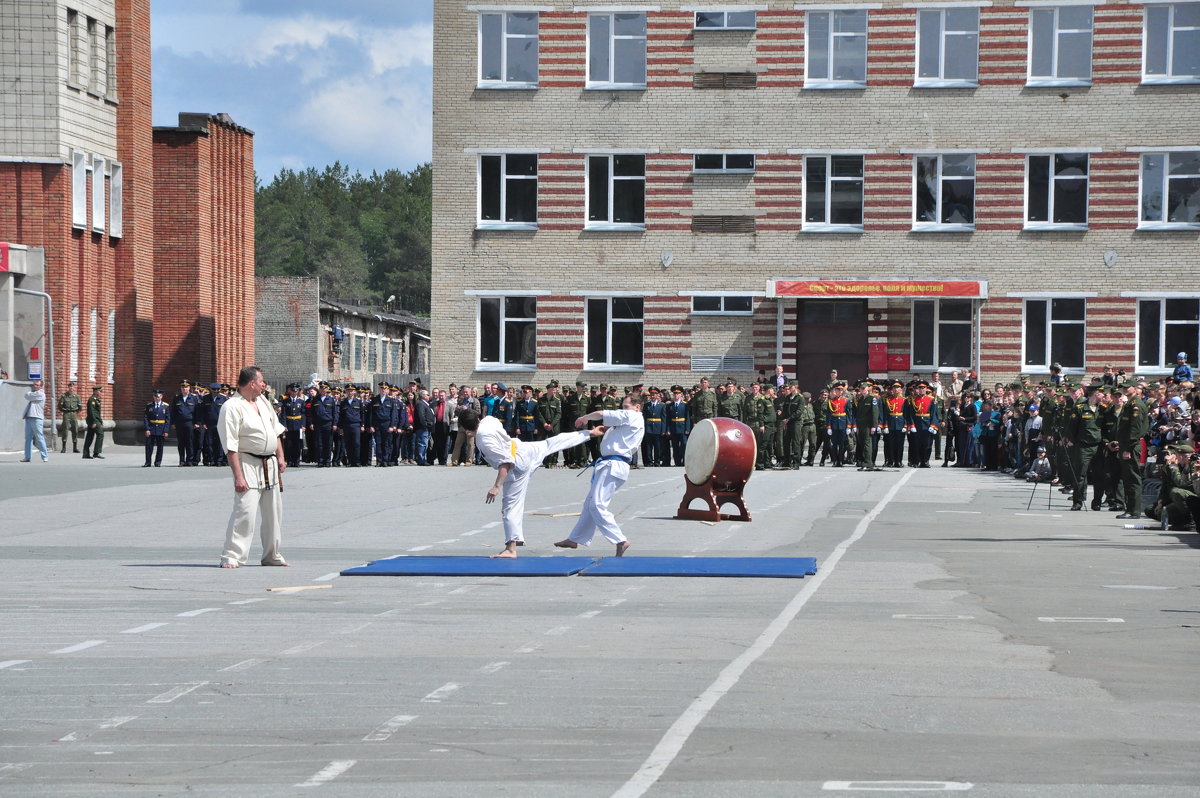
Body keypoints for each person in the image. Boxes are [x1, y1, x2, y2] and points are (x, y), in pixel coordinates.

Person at [457, 407, 591, 558]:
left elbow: (506, 463)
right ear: (477, 419)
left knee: (511, 506)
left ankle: (511, 548)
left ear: (466, 429)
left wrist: (496, 486)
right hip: (523, 448)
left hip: (517, 465)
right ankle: (588, 434)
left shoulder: (483, 439)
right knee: (550, 444)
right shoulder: (488, 420)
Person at [554, 393, 645, 557]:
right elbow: (608, 428)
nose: (623, 409)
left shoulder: (634, 416)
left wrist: (584, 417)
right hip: (608, 464)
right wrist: (598, 431)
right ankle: (575, 538)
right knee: (590, 503)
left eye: (626, 406)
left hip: (613, 465)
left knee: (597, 505)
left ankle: (620, 540)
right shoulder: (628, 420)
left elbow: (602, 414)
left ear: (637, 407)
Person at [217, 366, 289, 569]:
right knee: (245, 511)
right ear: (251, 383)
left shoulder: (263, 401)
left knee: (274, 513)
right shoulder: (232, 406)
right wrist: (238, 477)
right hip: (247, 462)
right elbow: (230, 445)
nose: (264, 385)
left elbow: (275, 430)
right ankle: (232, 556)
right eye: (261, 381)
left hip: (271, 464)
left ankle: (271, 555)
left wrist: (281, 456)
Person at [20, 378, 49, 462]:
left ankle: (44, 456)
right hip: (29, 417)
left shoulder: (41, 394)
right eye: (34, 385)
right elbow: (26, 395)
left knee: (39, 437)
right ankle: (27, 457)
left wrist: (30, 395)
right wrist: (29, 395)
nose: (35, 386)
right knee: (28, 438)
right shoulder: (34, 394)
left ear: (41, 386)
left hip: (37, 418)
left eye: (37, 385)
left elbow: (29, 396)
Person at [143, 389, 170, 467]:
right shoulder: (149, 406)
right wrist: (147, 429)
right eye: (155, 396)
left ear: (161, 397)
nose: (156, 398)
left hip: (161, 429)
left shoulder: (166, 406)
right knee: (148, 446)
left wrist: (166, 431)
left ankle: (157, 462)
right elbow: (146, 418)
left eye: (158, 396)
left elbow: (168, 420)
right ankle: (148, 462)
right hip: (151, 428)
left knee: (160, 447)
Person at [57, 381, 83, 453]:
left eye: (73, 387)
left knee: (75, 430)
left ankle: (75, 447)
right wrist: (64, 411)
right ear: (68, 387)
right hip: (66, 414)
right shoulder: (64, 396)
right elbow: (60, 406)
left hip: (74, 414)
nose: (71, 388)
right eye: (70, 386)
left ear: (74, 388)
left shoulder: (77, 397)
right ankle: (64, 447)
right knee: (65, 430)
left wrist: (76, 412)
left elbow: (80, 406)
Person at [82, 384, 105, 459]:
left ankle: (86, 454)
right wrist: (94, 422)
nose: (101, 392)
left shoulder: (96, 399)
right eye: (100, 391)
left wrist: (100, 420)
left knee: (89, 436)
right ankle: (96, 452)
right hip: (93, 420)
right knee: (100, 434)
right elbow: (91, 411)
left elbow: (97, 412)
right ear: (95, 391)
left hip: (95, 419)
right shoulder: (92, 400)